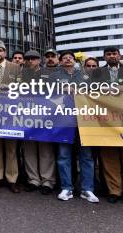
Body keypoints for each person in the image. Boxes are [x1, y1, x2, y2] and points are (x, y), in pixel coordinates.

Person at [92, 46, 123, 206]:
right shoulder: (97, 72)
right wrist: (101, 88)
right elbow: (87, 89)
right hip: (106, 120)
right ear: (104, 57)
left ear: (120, 55)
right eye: (108, 54)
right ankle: (114, 190)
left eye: (114, 54)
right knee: (109, 157)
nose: (112, 56)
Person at [50, 51, 98, 203]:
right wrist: (60, 91)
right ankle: (67, 188)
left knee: (87, 156)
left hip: (85, 120)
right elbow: (46, 94)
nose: (68, 60)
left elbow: (95, 93)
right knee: (64, 155)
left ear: (75, 60)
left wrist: (78, 91)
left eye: (70, 58)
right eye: (64, 58)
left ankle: (87, 189)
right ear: (61, 61)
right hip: (63, 120)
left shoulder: (84, 75)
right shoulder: (54, 75)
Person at [0, 39, 21, 193]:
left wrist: (8, 87)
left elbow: (22, 87)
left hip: (10, 112)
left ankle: (12, 179)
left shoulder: (15, 67)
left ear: (5, 52)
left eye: (0, 50)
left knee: (11, 148)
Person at [21, 50, 57, 196]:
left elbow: (56, 92)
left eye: (33, 58)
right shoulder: (20, 75)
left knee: (45, 149)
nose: (30, 61)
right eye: (27, 59)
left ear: (39, 60)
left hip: (45, 115)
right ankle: (33, 179)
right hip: (25, 114)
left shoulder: (48, 73)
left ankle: (48, 181)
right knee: (29, 149)